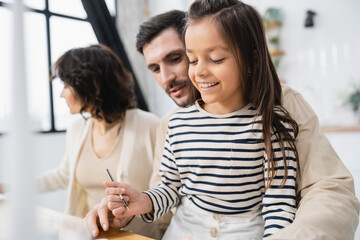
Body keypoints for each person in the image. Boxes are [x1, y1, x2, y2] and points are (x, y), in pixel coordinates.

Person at [85, 6, 359, 240]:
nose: (166, 77)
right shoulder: (173, 124)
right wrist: (127, 212)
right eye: (155, 68)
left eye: (176, 58)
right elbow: (168, 193)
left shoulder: (279, 109)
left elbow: (322, 193)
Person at [105, 0, 300, 239]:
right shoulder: (177, 124)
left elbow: (279, 203)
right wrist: (144, 201)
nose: (198, 72)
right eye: (193, 60)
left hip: (245, 231)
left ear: (252, 61)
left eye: (216, 58)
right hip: (184, 230)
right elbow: (171, 188)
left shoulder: (272, 121)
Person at [37, 44, 164, 239]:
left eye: (66, 85)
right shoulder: (76, 129)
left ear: (91, 84)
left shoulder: (150, 126)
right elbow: (63, 175)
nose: (61, 94)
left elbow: (164, 194)